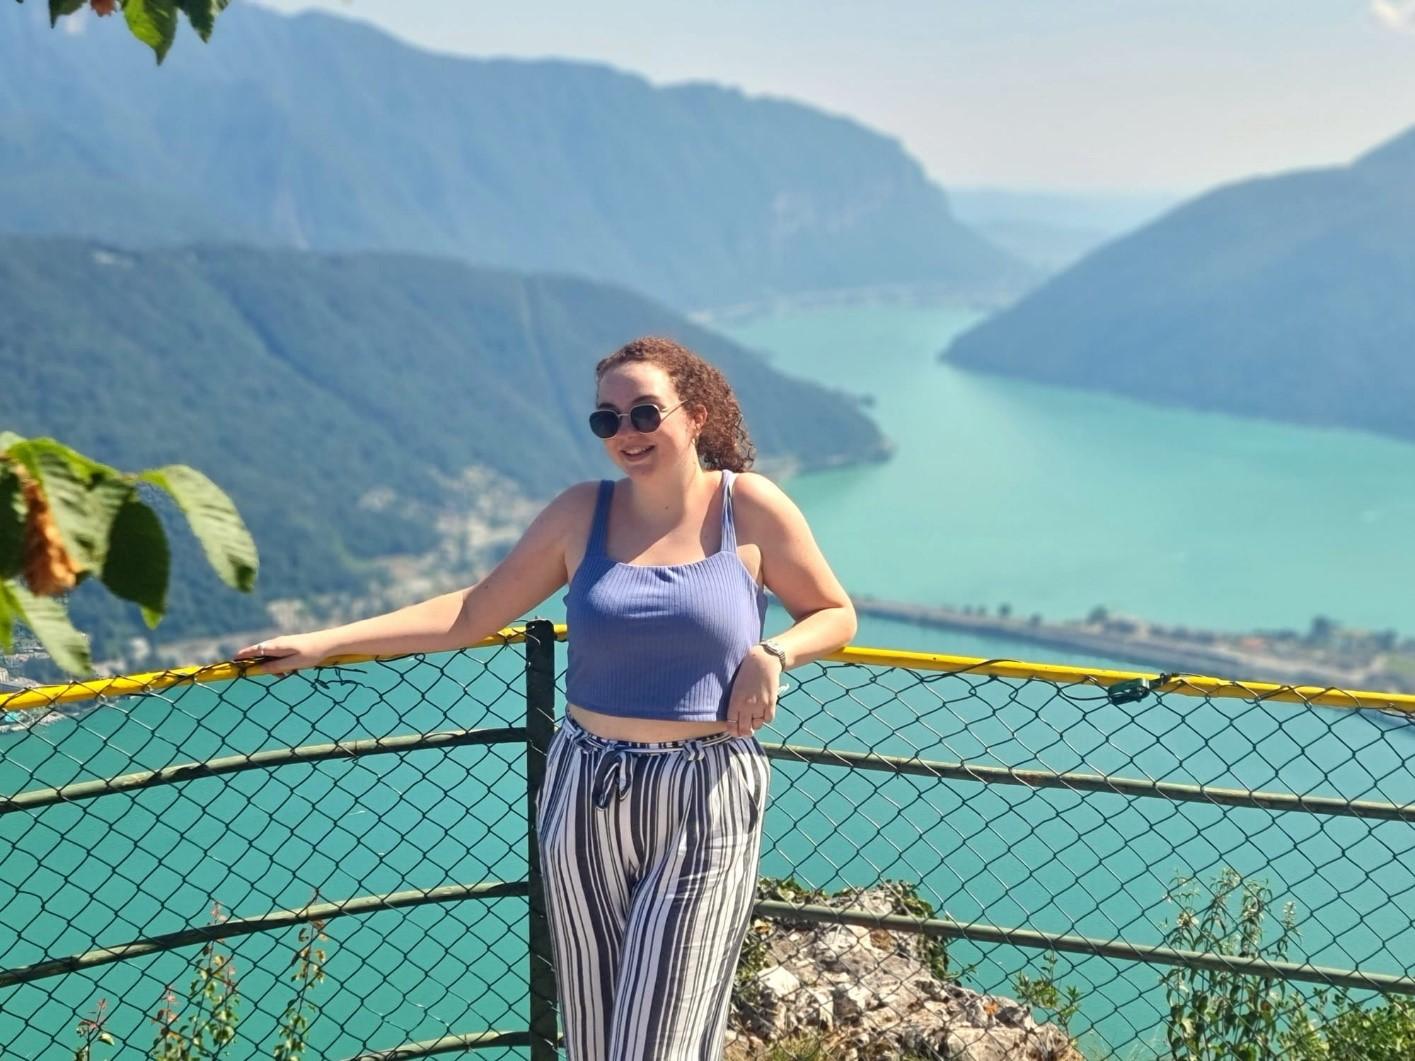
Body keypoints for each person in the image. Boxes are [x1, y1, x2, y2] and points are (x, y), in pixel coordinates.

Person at [234, 335, 857, 1059]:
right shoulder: (578, 513)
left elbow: (834, 613)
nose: (624, 433)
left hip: (704, 789)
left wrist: (774, 651)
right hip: (584, 785)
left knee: (661, 1045)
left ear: (696, 415)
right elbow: (471, 612)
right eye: (606, 420)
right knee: (594, 1040)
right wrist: (325, 641)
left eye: (643, 413)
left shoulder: (746, 507)